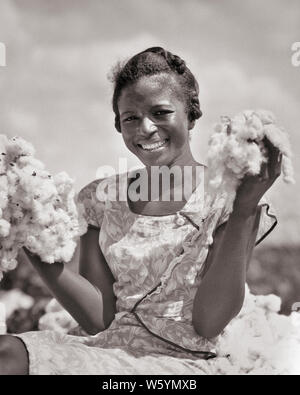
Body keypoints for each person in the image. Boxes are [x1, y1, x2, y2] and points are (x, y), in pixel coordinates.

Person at [0, 47, 281, 375]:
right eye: (130, 117)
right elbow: (100, 319)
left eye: (161, 112)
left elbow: (209, 323)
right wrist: (30, 237)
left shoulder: (227, 198)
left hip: (186, 365)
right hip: (109, 352)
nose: (145, 128)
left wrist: (245, 209)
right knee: (7, 351)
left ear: (191, 114)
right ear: (118, 126)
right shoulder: (100, 199)